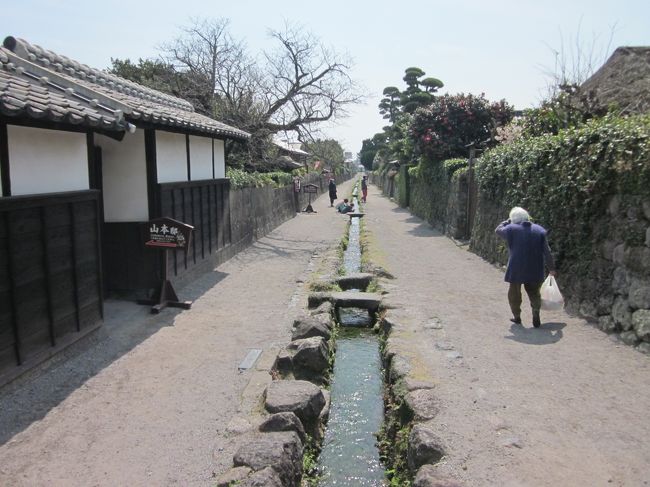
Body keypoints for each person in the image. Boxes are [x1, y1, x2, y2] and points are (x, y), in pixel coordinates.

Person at [495, 207, 556, 328]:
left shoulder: (511, 229)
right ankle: (536, 313)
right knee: (534, 293)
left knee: (514, 294)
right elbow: (547, 252)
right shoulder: (539, 230)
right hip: (535, 267)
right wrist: (552, 268)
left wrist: (507, 221)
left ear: (514, 219)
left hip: (516, 267)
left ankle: (517, 317)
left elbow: (498, 230)